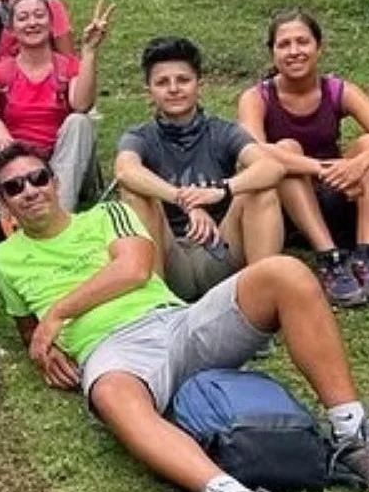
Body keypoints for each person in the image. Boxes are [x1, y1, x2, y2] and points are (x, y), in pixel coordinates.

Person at [0, 143, 369, 492]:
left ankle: (354, 434)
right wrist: (42, 353)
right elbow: (32, 331)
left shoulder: (108, 214)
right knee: (111, 394)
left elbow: (135, 268)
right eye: (14, 187)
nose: (29, 190)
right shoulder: (4, 259)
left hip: (173, 322)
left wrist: (59, 312)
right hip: (112, 352)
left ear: (55, 181)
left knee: (285, 272)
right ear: (3, 202)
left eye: (37, 177)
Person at [237, 9, 369, 307]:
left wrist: (358, 164)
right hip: (291, 205)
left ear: (319, 47)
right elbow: (252, 151)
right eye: (284, 44)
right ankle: (329, 258)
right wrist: (318, 168)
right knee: (285, 150)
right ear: (272, 52)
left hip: (338, 193)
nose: (294, 51)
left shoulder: (337, 89)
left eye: (302, 42)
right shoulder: (257, 97)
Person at [113, 37, 287, 302]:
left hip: (220, 251)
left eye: (183, 80)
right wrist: (186, 201)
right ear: (149, 91)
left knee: (261, 191)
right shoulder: (140, 136)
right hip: (168, 256)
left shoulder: (223, 131)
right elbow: (125, 171)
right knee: (134, 194)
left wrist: (221, 191)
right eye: (162, 82)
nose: (174, 89)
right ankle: (154, 307)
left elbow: (271, 166)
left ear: (199, 85)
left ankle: (260, 301)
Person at [0, 0, 112, 211]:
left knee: (79, 121)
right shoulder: (3, 68)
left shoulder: (66, 66)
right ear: (12, 29)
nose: (32, 23)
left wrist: (89, 52)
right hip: (17, 160)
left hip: (60, 163)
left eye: (39, 16)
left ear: (51, 24)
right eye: (23, 18)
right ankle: (9, 200)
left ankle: (59, 209)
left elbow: (82, 104)